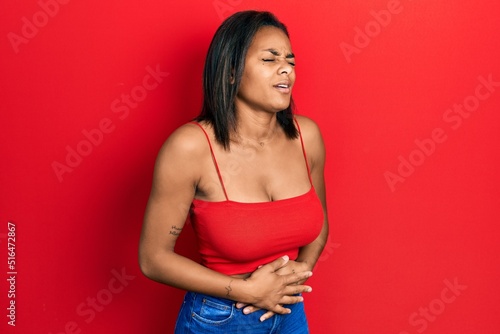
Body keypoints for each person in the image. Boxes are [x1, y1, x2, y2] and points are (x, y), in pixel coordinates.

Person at [139, 10, 329, 333]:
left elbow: (321, 225)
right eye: (270, 59)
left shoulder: (306, 137)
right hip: (218, 319)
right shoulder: (190, 148)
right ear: (230, 72)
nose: (286, 69)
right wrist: (249, 291)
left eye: (290, 61)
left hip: (290, 313)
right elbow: (153, 258)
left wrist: (292, 281)